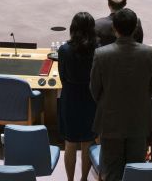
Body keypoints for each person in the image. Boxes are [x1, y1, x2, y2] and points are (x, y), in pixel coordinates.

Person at [90, 8, 152, 181]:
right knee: (136, 170)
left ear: (114, 28)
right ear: (136, 28)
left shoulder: (101, 54)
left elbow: (94, 90)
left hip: (111, 122)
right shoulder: (149, 53)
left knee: (112, 171)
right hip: (139, 121)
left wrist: (108, 102)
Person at [58, 12, 97, 181]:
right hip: (90, 99)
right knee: (88, 143)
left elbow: (62, 76)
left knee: (70, 143)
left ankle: (70, 180)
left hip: (70, 98)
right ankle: (83, 179)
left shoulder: (64, 50)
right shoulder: (97, 50)